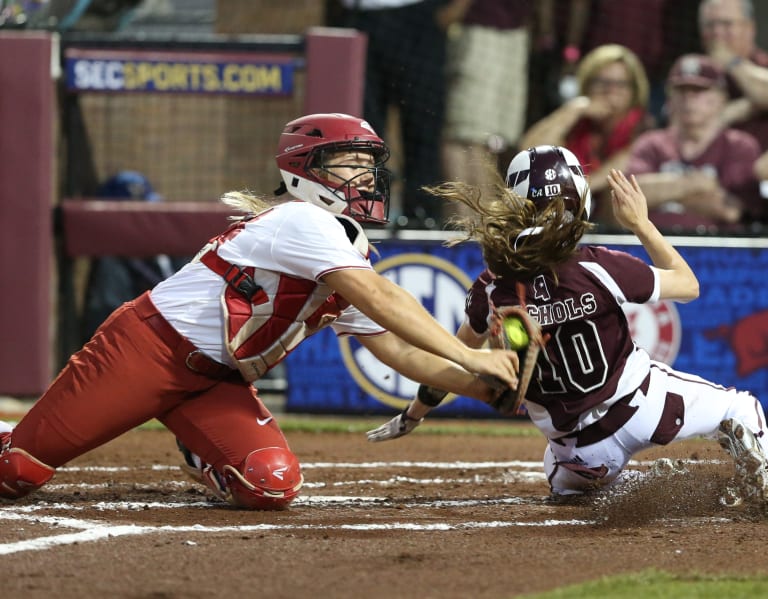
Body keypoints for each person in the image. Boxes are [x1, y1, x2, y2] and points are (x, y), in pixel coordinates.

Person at [0, 113, 519, 509]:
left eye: (369, 163)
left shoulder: (348, 246)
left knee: (270, 485)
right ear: (304, 169)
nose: (365, 176)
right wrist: (473, 358)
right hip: (146, 352)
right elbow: (385, 299)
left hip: (216, 382)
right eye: (350, 161)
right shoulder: (302, 220)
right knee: (17, 472)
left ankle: (199, 450)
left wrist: (488, 389)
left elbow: (397, 348)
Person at [366, 144, 768, 505]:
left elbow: (453, 366)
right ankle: (760, 487)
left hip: (580, 452)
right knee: (742, 409)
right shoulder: (597, 264)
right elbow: (689, 285)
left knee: (565, 484)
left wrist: (415, 412)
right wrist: (641, 224)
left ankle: (595, 491)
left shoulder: (491, 289)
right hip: (647, 407)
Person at [335, 0, 450, 229]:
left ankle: (422, 216)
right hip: (358, 16)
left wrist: (453, 10)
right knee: (362, 130)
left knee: (422, 122)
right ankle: (366, 212)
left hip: (416, 14)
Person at [519, 44, 654, 227]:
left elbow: (626, 162)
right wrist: (575, 109)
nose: (611, 91)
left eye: (621, 84)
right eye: (602, 82)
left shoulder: (643, 126)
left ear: (634, 91)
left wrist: (576, 190)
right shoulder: (578, 124)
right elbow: (529, 153)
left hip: (619, 223)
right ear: (587, 84)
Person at [626, 53, 763, 233]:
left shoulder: (739, 146)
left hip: (715, 254)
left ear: (721, 98)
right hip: (650, 248)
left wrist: (660, 194)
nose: (688, 99)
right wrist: (694, 184)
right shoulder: (650, 143)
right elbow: (628, 198)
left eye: (698, 91)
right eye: (681, 90)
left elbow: (730, 211)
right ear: (670, 98)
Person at [440, 0, 543, 222]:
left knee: (495, 138)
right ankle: (467, 221)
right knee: (467, 131)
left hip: (515, 29)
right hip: (480, 28)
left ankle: (485, 219)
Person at [81, 170, 188, 343]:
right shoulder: (111, 265)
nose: (147, 225)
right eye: (137, 219)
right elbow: (107, 332)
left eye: (149, 214)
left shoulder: (171, 253)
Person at [698, 0, 768, 152]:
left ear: (749, 28)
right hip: (709, 169)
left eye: (726, 24)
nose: (717, 32)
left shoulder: (764, 64)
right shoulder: (697, 73)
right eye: (710, 25)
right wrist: (740, 109)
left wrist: (731, 62)